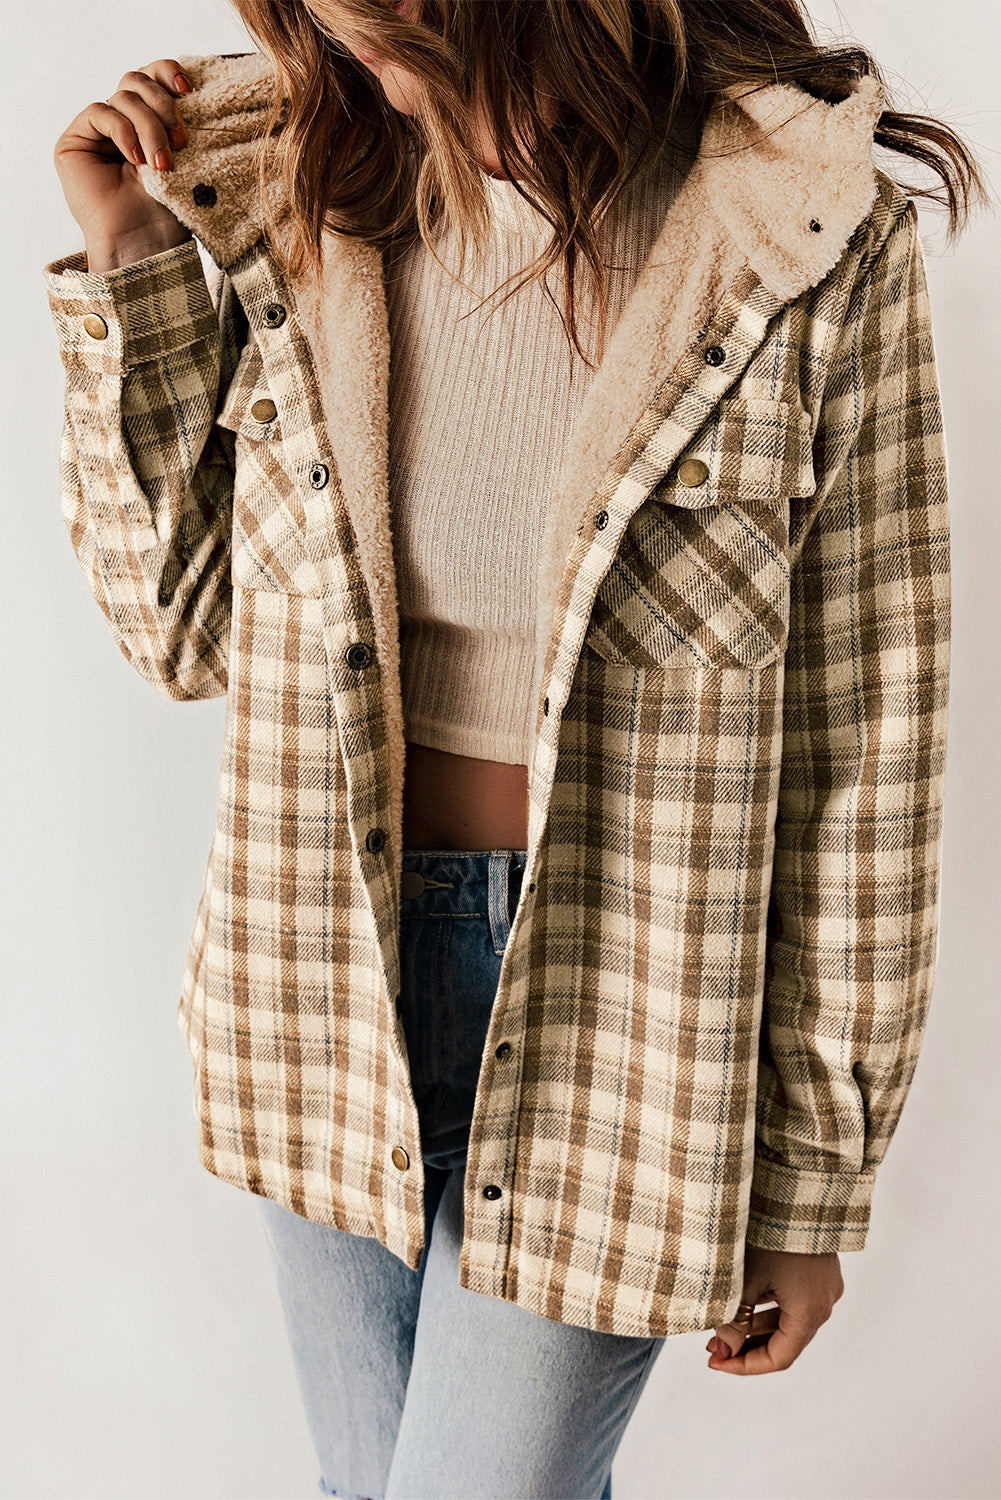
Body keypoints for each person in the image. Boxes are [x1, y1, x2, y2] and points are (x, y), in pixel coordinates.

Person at [45, 3, 985, 1496]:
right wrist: (135, 263)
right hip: (320, 975)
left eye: (388, 26)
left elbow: (867, 743)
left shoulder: (796, 229)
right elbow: (180, 631)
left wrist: (812, 1179)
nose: (354, 60)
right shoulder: (301, 190)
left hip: (628, 1011)